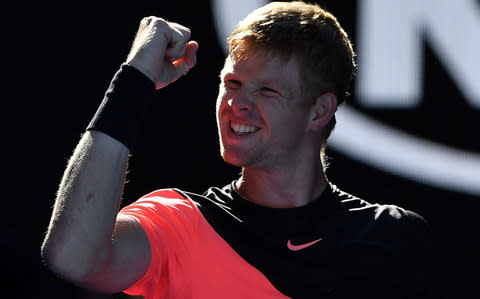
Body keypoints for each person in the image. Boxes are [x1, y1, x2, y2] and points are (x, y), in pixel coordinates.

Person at [42, 1, 435, 298]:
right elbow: (73, 258)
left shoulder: (395, 237)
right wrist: (134, 81)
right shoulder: (179, 224)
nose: (237, 104)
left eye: (266, 90)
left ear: (320, 110)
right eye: (231, 84)